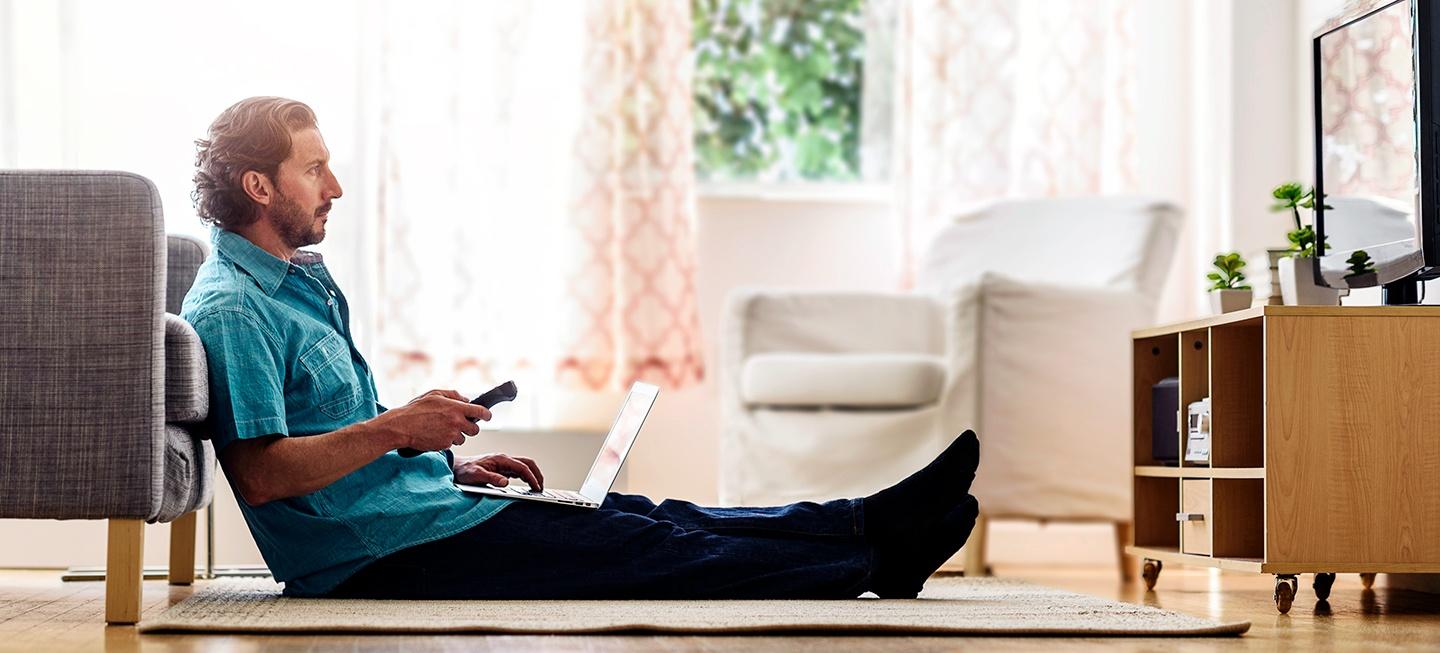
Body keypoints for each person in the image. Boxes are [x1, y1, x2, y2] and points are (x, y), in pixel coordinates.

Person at [182, 96, 980, 601]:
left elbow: (328, 441)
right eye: (315, 169)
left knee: (644, 512)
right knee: (646, 549)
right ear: (260, 187)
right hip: (375, 555)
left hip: (414, 509)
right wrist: (399, 429)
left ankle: (864, 524)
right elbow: (261, 472)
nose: (335, 187)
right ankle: (871, 562)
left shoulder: (296, 283)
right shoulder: (235, 306)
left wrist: (438, 462)